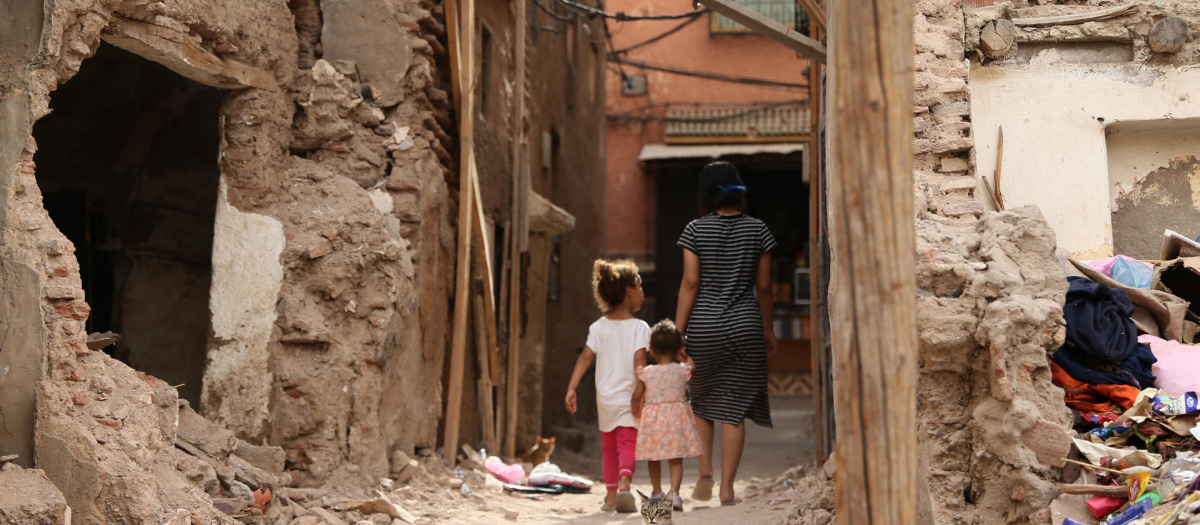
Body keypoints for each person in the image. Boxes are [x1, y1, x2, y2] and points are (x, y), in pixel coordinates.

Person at [674, 161, 777, 506]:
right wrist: (767, 327)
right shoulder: (759, 230)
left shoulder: (694, 230)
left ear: (706, 193)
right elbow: (764, 287)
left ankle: (705, 471)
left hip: (703, 327)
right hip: (745, 326)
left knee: (701, 402)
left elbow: (690, 282)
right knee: (734, 410)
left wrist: (677, 332)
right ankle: (727, 490)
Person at [565, 259, 651, 513]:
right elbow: (640, 361)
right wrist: (641, 391)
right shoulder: (640, 327)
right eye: (640, 286)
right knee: (627, 443)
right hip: (629, 396)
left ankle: (611, 498)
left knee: (608, 447)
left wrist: (572, 388)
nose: (643, 292)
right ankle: (625, 483)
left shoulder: (598, 327)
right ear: (629, 290)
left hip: (605, 398)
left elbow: (585, 357)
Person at [632, 319, 703, 512]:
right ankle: (676, 495)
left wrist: (634, 408)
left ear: (651, 350)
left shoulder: (646, 373)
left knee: (653, 459)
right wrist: (685, 355)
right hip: (676, 421)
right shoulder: (682, 370)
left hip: (653, 420)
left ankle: (656, 492)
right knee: (675, 459)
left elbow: (637, 395)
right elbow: (693, 368)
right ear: (677, 349)